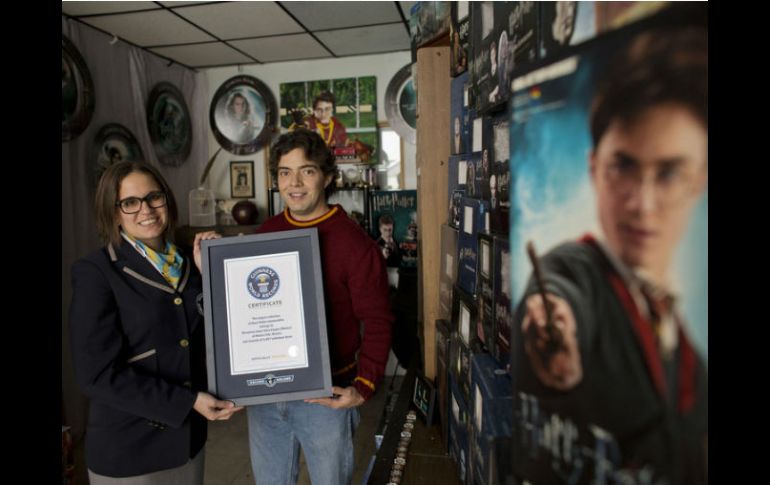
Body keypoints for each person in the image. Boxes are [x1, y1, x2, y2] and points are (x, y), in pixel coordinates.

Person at [514, 25, 707, 483]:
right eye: (624, 165)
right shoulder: (574, 268)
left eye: (669, 173)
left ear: (698, 182)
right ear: (594, 167)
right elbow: (558, 294)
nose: (642, 203)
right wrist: (552, 318)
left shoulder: (686, 348)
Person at [69, 161, 243, 484]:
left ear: (167, 199)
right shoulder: (95, 272)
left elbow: (208, 337)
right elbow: (97, 375)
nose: (146, 210)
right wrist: (189, 401)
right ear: (113, 211)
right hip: (130, 450)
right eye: (130, 202)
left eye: (154, 197)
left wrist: (214, 276)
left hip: (188, 443)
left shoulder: (191, 261)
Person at [247, 129, 393, 485]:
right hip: (266, 393)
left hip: (325, 395)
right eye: (285, 172)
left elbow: (378, 320)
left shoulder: (355, 244)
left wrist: (364, 384)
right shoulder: (266, 233)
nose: (294, 183)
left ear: (327, 176)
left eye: (306, 171)